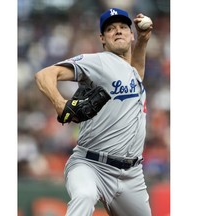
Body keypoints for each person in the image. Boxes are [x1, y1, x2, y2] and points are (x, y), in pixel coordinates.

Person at [35, 7, 153, 216]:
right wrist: (60, 103)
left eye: (123, 27)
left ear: (131, 34)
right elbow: (45, 74)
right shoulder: (98, 61)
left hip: (132, 175)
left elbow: (136, 73)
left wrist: (143, 41)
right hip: (91, 165)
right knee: (84, 195)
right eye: (110, 29)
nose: (117, 31)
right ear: (103, 39)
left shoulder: (131, 72)